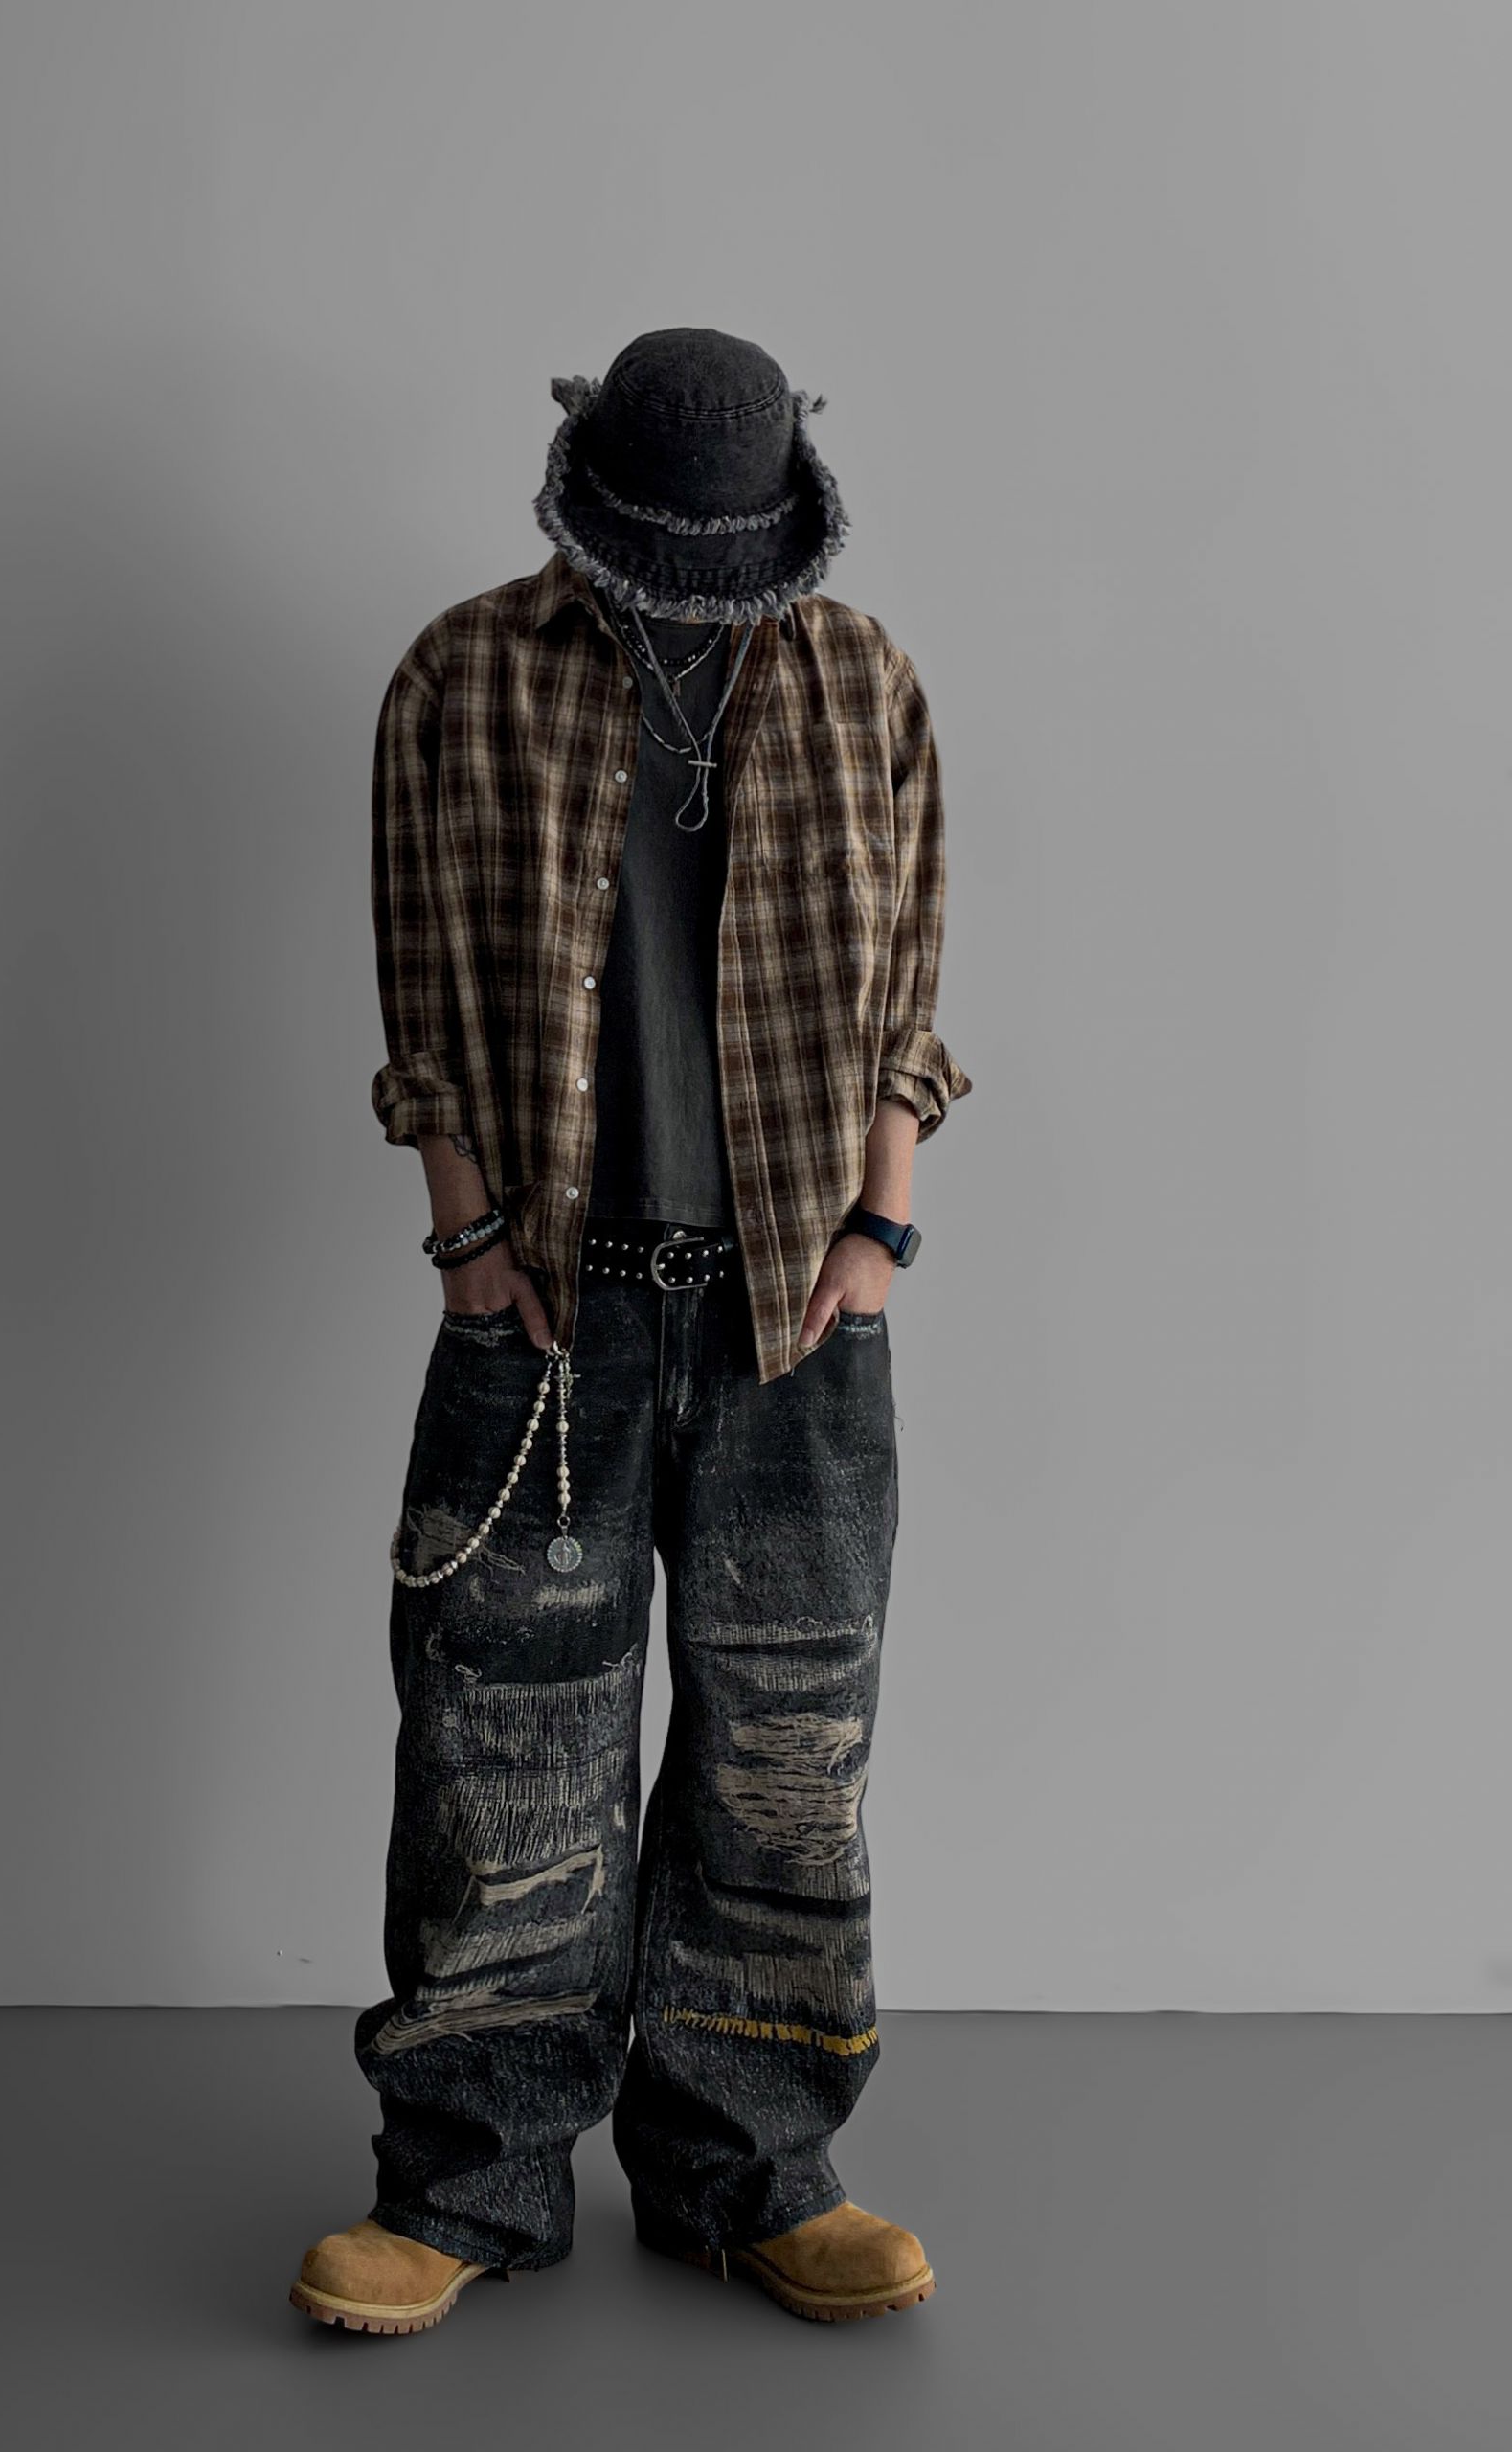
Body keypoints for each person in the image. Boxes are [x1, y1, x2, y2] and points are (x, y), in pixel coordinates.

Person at [292, 327, 972, 2334]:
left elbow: (912, 992)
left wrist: (879, 1231)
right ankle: (467, 2183)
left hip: (798, 1317)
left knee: (787, 1757)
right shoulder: (463, 674)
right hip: (546, 1308)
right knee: (502, 1759)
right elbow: (423, 995)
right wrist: (467, 1240)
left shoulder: (864, 679)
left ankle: (753, 2169)